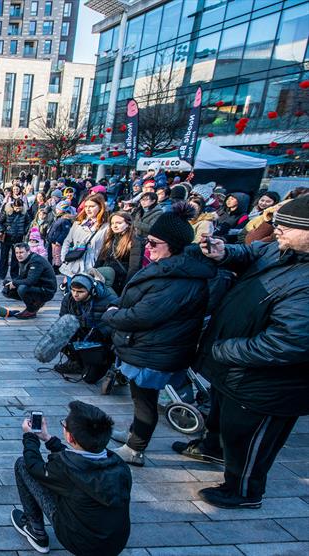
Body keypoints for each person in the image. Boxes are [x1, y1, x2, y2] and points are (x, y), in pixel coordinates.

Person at [181, 196, 309, 509]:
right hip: (235, 368)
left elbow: (289, 342)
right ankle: (213, 449)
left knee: (249, 437)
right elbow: (251, 252)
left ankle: (243, 491)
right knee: (225, 420)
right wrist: (224, 252)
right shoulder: (282, 250)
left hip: (266, 382)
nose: (276, 229)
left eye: (287, 226)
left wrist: (225, 348)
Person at [102, 203, 215, 467]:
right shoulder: (173, 268)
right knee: (142, 399)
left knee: (145, 402)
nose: (148, 247)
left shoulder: (177, 277)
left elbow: (144, 315)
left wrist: (110, 314)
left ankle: (135, 448)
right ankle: (134, 434)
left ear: (173, 245)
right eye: (148, 241)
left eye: (154, 243)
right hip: (151, 345)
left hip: (155, 349)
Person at [12, 400, 131, 555]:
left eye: (64, 424)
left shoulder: (64, 470)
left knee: (22, 465)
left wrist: (30, 436)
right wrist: (47, 438)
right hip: (116, 543)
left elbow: (33, 467)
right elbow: (77, 460)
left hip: (78, 543)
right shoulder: (119, 464)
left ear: (69, 437)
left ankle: (35, 530)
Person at [56, 271, 118, 380]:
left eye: (80, 292)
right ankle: (76, 362)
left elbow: (116, 323)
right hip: (82, 333)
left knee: (90, 379)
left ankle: (108, 363)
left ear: (91, 291)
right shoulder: (69, 298)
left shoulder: (109, 299)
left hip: (101, 338)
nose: (75, 294)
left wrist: (101, 331)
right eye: (73, 290)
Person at [59, 194, 108, 284]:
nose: (88, 209)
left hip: (92, 267)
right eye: (86, 206)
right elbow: (67, 241)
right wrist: (64, 259)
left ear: (100, 206)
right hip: (73, 265)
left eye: (92, 206)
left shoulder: (106, 227)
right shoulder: (78, 223)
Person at [2, 243, 56, 319]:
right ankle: (36, 302)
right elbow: (22, 276)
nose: (18, 255)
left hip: (46, 290)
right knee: (7, 288)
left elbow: (31, 281)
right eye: (16, 253)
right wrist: (9, 284)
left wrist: (14, 283)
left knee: (22, 288)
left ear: (28, 252)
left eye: (21, 252)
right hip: (37, 286)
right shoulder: (24, 259)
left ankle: (31, 310)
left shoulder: (36, 261)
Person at [93, 211, 135, 294]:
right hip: (105, 279)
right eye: (112, 223)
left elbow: (134, 267)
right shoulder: (110, 238)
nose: (114, 226)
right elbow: (101, 259)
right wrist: (94, 273)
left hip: (120, 282)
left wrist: (126, 287)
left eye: (119, 223)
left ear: (128, 224)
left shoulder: (134, 241)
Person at [0, 198, 29, 280]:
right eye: (16, 208)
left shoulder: (24, 213)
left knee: (16, 257)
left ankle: (14, 275)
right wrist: (3, 230)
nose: (18, 209)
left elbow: (28, 222)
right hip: (7, 237)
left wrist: (24, 231)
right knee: (4, 256)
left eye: (20, 208)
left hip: (18, 237)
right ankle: (2, 274)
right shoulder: (7, 212)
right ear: (13, 206)